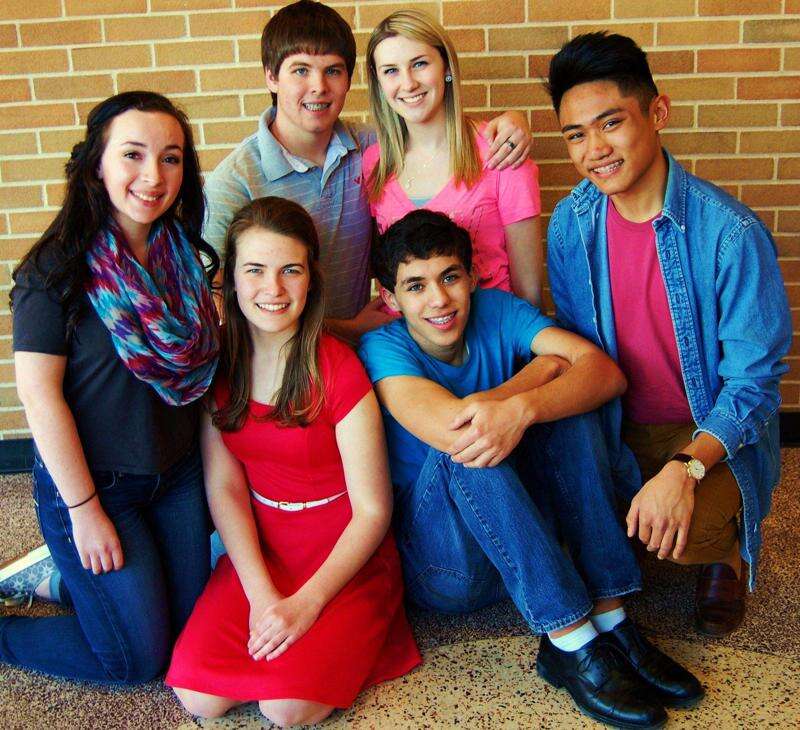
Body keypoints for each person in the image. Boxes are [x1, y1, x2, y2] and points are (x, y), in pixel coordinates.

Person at [359, 209, 703, 728]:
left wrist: (525, 407)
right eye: (416, 286)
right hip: (447, 569)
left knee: (570, 410)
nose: (439, 299)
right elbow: (457, 428)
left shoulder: (497, 310)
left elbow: (605, 374)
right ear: (390, 298)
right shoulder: (383, 346)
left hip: (523, 544)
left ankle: (610, 615)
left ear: (473, 276)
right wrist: (538, 374)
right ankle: (570, 639)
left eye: (450, 277)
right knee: (470, 449)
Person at [545, 32, 791, 637]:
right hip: (618, 422)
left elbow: (753, 386)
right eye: (576, 135)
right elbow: (578, 350)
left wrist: (687, 467)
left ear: (657, 113)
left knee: (683, 537)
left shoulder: (730, 234)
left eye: (611, 123)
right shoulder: (571, 225)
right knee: (560, 508)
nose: (595, 150)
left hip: (706, 428)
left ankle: (724, 551)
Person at [166, 197, 421, 727]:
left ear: (311, 279)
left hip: (343, 550)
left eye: (290, 270)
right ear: (231, 279)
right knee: (198, 696)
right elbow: (225, 489)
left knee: (287, 709)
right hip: (262, 546)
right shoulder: (219, 367)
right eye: (255, 270)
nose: (273, 289)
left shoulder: (339, 368)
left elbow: (373, 510)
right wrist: (261, 594)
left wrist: (306, 604)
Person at [1, 91, 220, 683]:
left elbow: (199, 377)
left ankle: (63, 582)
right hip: (98, 489)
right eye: (133, 154)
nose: (154, 176)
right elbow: (39, 398)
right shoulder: (54, 270)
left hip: (176, 478)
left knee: (189, 634)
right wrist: (85, 512)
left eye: (171, 158)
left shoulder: (181, 254)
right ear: (97, 163)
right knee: (136, 660)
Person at [203, 0, 532, 343]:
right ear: (271, 77)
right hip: (279, 356)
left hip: (365, 351)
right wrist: (345, 329)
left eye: (333, 71)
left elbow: (429, 131)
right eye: (300, 70)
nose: (318, 86)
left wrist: (514, 122)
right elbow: (214, 303)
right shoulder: (234, 181)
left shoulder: (369, 151)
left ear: (349, 80)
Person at [364, 10, 542, 307]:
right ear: (379, 82)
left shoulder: (501, 152)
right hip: (409, 335)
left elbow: (530, 294)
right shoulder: (374, 164)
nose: (408, 83)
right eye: (391, 70)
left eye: (419, 64)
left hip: (494, 331)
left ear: (446, 66)